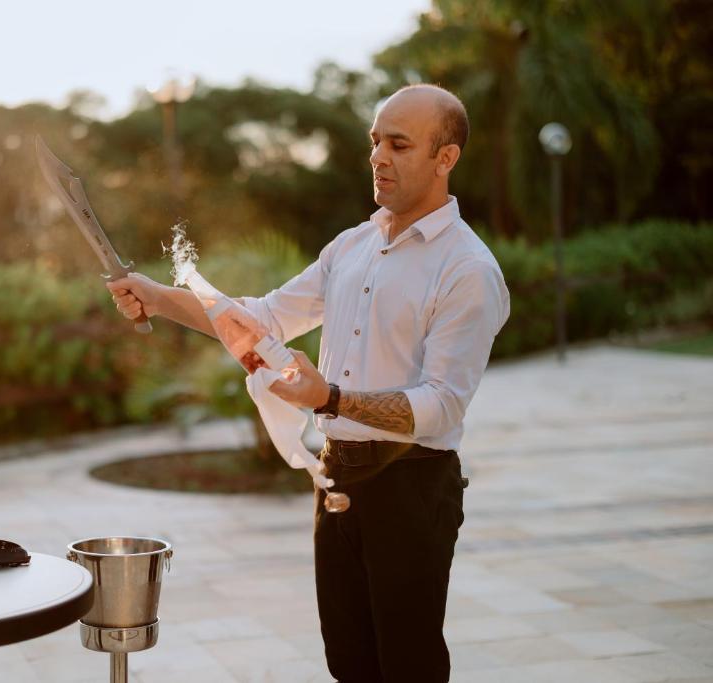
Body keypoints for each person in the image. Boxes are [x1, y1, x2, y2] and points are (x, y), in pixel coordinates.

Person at [107, 84, 510, 682]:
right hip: (334, 478)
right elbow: (263, 318)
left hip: (411, 488)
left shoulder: (468, 270)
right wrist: (162, 298)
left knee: (409, 666)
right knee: (348, 664)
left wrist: (332, 398)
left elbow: (442, 406)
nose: (378, 157)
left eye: (399, 145)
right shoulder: (352, 246)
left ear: (444, 158)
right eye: (375, 142)